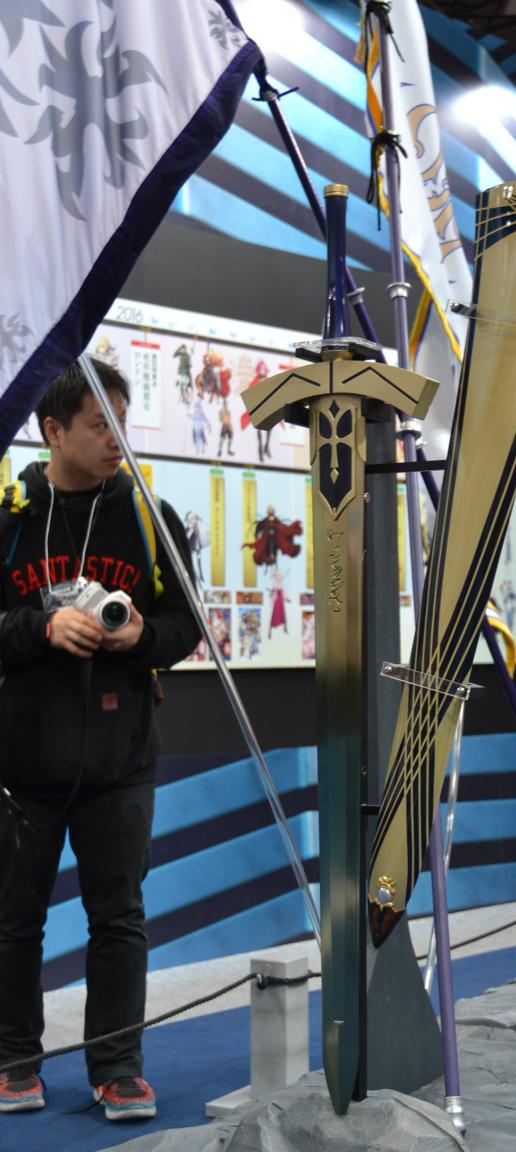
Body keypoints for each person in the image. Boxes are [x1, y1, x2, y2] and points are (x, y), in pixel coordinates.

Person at [0, 360, 200, 1120]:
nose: (117, 439)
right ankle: (12, 1061)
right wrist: (41, 627)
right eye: (99, 424)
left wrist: (141, 636)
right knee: (12, 923)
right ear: (52, 430)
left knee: (119, 919)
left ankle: (117, 1068)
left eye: (122, 421)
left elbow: (187, 627)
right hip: (19, 764)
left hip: (121, 761)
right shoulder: (11, 516)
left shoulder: (149, 515)